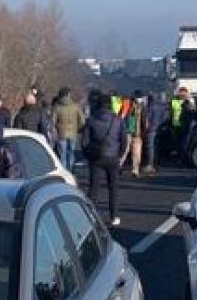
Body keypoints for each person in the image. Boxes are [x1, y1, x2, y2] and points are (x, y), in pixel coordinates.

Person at [83, 90, 126, 225]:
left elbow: (84, 141)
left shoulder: (91, 120)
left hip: (96, 157)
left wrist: (88, 155)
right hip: (113, 157)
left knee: (94, 188)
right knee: (113, 188)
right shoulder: (117, 120)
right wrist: (120, 154)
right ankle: (115, 216)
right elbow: (123, 139)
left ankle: (90, 215)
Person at [52, 89, 84, 172]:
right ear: (68, 95)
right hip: (73, 133)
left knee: (62, 154)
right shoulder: (76, 106)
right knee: (71, 153)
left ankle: (64, 172)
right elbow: (82, 120)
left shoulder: (57, 107)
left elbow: (52, 121)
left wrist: (56, 128)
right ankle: (70, 170)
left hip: (61, 133)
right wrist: (78, 128)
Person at [142, 92, 168, 175]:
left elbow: (147, 118)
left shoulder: (151, 106)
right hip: (159, 128)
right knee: (156, 146)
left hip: (151, 129)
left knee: (150, 147)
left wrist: (146, 128)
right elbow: (165, 118)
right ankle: (155, 163)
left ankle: (150, 164)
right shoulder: (163, 106)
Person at [124, 92, 148, 176]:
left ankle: (119, 166)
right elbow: (144, 121)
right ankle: (135, 170)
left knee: (124, 151)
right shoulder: (142, 107)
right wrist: (144, 132)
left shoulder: (126, 105)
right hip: (137, 133)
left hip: (127, 132)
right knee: (136, 153)